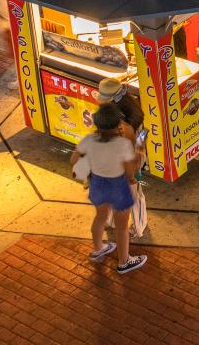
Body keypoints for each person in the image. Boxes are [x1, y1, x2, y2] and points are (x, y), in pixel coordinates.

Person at [70, 102, 147, 274]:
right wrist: (139, 151)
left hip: (97, 184)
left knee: (100, 216)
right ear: (116, 124)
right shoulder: (122, 145)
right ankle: (124, 262)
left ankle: (98, 248)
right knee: (122, 226)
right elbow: (129, 171)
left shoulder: (89, 140)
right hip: (118, 186)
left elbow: (74, 159)